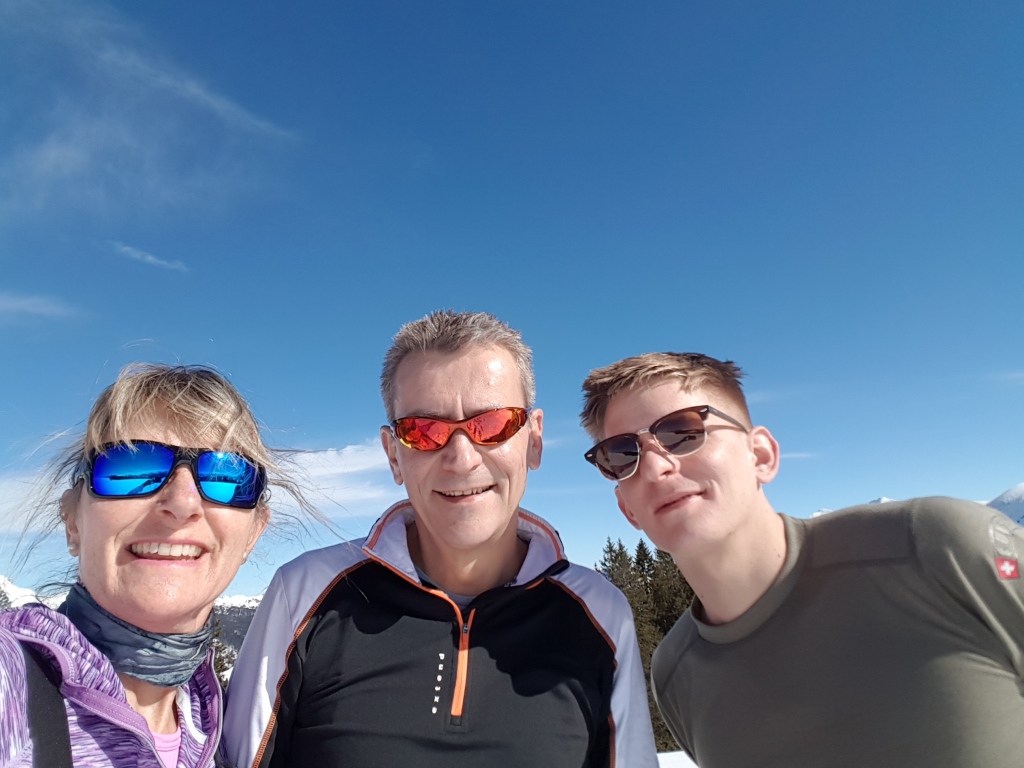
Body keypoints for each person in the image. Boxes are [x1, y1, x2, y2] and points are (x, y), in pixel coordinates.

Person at [224, 310, 658, 768]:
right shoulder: (304, 596)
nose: (461, 457)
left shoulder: (599, 615)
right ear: (394, 455)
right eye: (424, 431)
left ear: (533, 440)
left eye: (492, 424)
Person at [578, 351, 1024, 767]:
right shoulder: (676, 673)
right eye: (622, 454)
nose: (655, 467)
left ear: (760, 455)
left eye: (682, 432)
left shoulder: (934, 548)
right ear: (627, 510)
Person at [0, 363, 300, 768]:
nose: (183, 502)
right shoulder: (12, 682)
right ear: (73, 522)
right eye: (131, 467)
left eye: (227, 476)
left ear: (252, 535)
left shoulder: (220, 727)